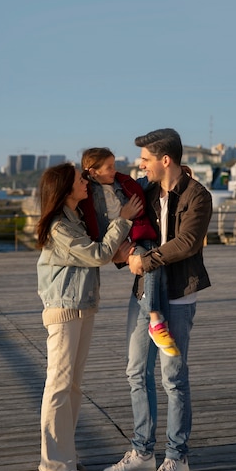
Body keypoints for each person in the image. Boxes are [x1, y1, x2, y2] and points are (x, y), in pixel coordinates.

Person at [102, 128, 212, 471]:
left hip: (178, 297)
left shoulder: (197, 196)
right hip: (144, 296)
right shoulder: (144, 191)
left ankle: (177, 458)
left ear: (165, 160)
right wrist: (127, 254)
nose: (141, 165)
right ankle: (142, 452)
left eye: (146, 160)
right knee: (136, 372)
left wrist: (146, 260)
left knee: (173, 379)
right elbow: (125, 224)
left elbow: (188, 243)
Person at [36, 163, 142, 471]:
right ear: (66, 189)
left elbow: (95, 255)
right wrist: (123, 218)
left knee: (73, 387)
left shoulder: (76, 218)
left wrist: (118, 250)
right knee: (58, 385)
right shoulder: (58, 226)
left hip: (82, 308)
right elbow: (95, 254)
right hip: (64, 310)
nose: (86, 182)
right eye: (81, 179)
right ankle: (54, 464)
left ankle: (65, 455)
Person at [79, 147, 179, 356]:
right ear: (93, 171)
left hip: (134, 235)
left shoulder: (120, 183)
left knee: (151, 264)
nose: (115, 171)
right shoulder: (86, 192)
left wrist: (175, 173)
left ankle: (155, 320)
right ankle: (155, 320)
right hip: (116, 239)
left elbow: (141, 184)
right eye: (109, 167)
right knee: (148, 262)